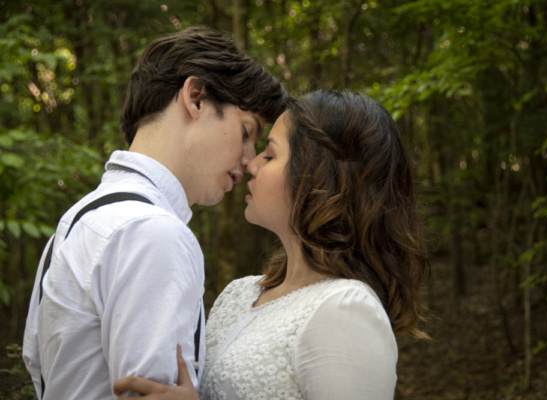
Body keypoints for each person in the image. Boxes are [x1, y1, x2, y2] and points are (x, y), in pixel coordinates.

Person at [22, 26, 286, 400]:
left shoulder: (81, 219)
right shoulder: (154, 233)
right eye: (246, 132)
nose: (248, 158)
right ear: (195, 97)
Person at [113, 89, 430, 400]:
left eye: (270, 154)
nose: (251, 164)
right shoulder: (237, 294)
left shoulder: (347, 309)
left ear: (317, 176)